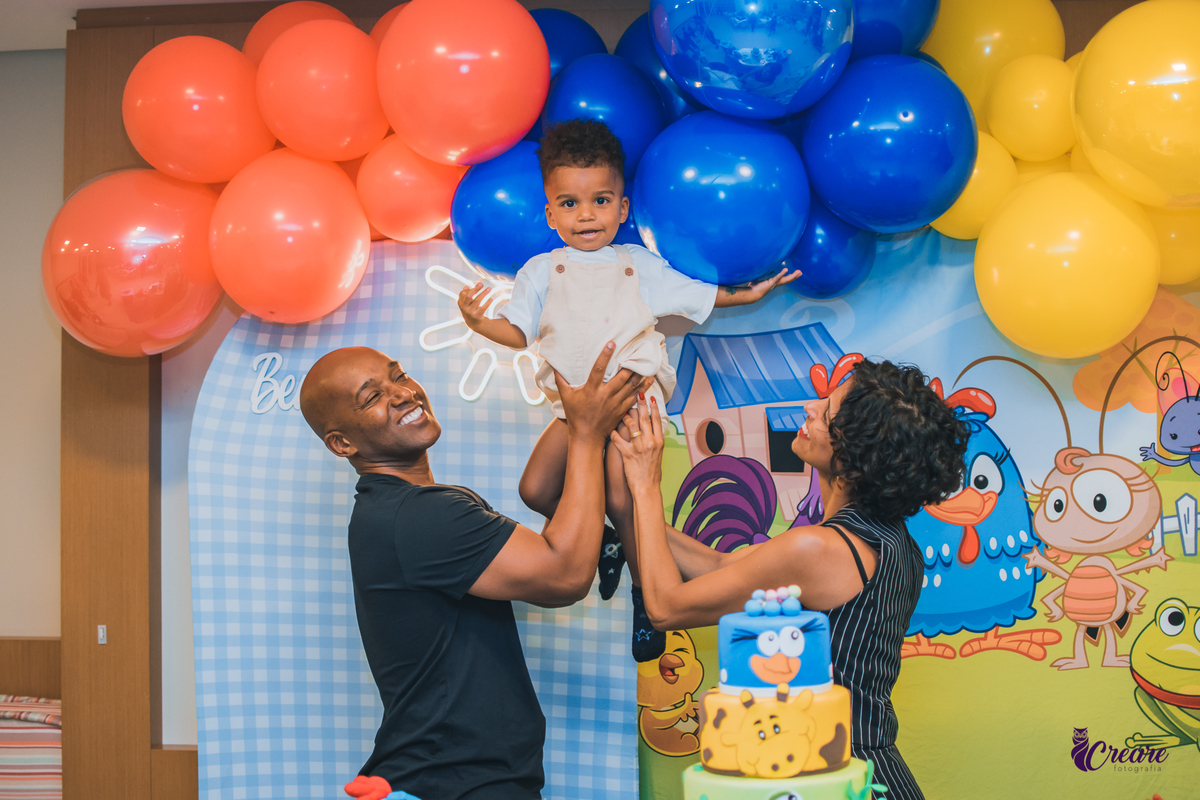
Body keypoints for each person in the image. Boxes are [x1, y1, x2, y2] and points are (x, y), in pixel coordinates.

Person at [455, 118, 799, 658]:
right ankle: (611, 542)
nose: (586, 214)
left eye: (600, 200)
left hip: (630, 402)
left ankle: (648, 591)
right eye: (569, 203)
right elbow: (517, 332)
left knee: (622, 495)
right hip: (575, 410)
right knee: (536, 490)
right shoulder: (540, 272)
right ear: (549, 212)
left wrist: (750, 295)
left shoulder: (637, 266)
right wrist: (481, 325)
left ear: (623, 207)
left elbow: (699, 295)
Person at [609, 360, 971, 800]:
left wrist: (647, 486)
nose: (809, 408)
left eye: (828, 412)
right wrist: (628, 510)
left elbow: (666, 607)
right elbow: (719, 567)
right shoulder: (893, 545)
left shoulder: (820, 550)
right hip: (871, 775)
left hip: (835, 777)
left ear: (854, 456)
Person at [299, 343, 646, 800]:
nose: (402, 393)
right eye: (372, 397)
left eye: (398, 376)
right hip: (456, 781)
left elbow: (549, 534)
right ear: (343, 444)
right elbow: (563, 574)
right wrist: (585, 433)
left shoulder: (401, 509)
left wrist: (574, 410)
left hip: (452, 777)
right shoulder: (419, 516)